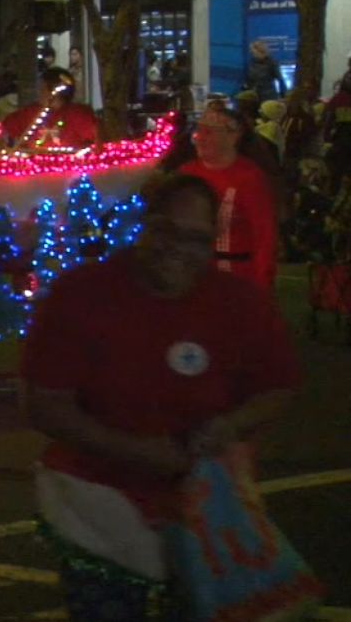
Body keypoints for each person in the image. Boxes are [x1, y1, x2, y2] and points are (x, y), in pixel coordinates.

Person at [20, 173, 301, 621]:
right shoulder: (81, 294)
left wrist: (230, 426)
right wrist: (137, 451)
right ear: (145, 223)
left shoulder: (241, 303)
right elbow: (46, 403)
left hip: (204, 507)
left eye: (196, 239)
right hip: (99, 507)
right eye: (167, 230)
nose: (178, 248)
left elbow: (277, 388)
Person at [175, 103, 280, 291]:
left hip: (236, 277)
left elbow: (264, 235)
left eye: (209, 133)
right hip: (193, 276)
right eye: (199, 131)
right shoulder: (187, 173)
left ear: (233, 137)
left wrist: (262, 284)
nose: (200, 138)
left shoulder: (249, 178)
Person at [0, 67, 99, 151]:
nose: (39, 92)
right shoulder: (30, 113)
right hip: (35, 166)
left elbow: (98, 136)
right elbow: (4, 129)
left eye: (42, 88)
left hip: (70, 166)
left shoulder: (78, 114)